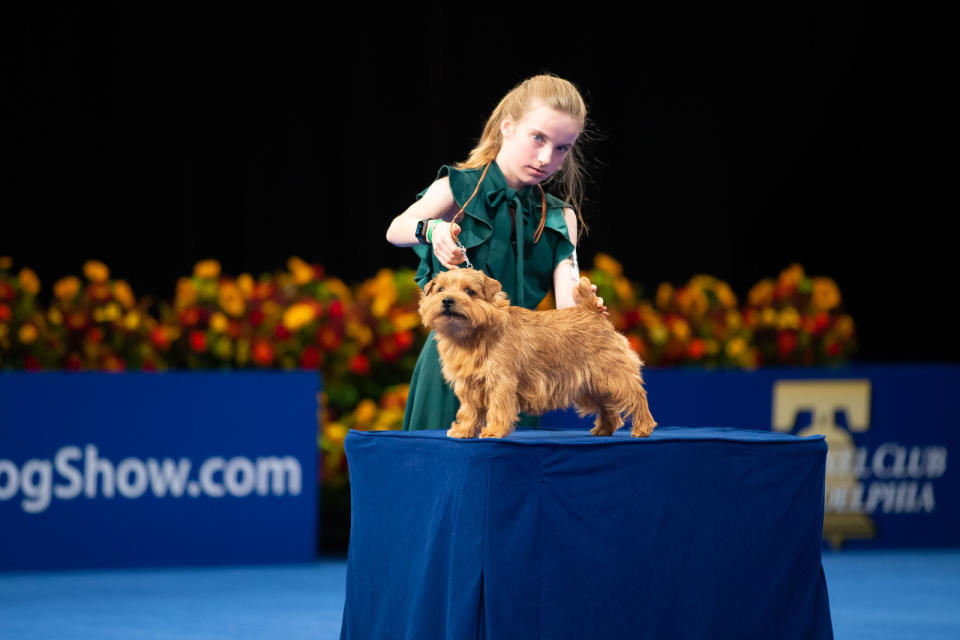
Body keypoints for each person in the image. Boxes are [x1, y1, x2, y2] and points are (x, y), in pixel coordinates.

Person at [386, 74, 604, 431]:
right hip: (454, 366)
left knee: (510, 482)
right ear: (507, 127)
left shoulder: (561, 216)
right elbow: (396, 229)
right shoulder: (458, 187)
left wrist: (585, 308)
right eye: (538, 138)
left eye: (562, 148)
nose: (547, 157)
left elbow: (567, 306)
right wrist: (433, 229)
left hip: (517, 369)